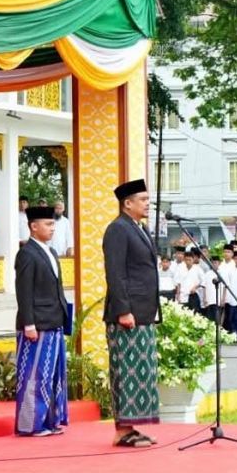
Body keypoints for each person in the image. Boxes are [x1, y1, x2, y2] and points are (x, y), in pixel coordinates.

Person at [102, 179, 160, 448]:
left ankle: (132, 426)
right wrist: (123, 310)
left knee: (141, 370)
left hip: (144, 311)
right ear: (128, 203)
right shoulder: (117, 229)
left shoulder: (139, 228)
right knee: (126, 371)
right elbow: (115, 273)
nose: (148, 203)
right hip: (127, 314)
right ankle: (122, 430)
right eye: (143, 199)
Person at [14, 206, 69, 437]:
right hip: (36, 324)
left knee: (53, 376)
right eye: (48, 224)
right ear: (33, 227)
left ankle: (49, 421)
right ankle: (31, 424)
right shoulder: (26, 253)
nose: (52, 228)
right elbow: (23, 291)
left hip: (54, 320)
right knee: (34, 376)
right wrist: (29, 324)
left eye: (53, 224)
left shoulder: (52, 252)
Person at [201, 256, 225, 322]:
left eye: (216, 263)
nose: (214, 264)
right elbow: (204, 287)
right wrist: (204, 298)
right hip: (209, 300)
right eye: (213, 263)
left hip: (218, 300)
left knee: (218, 319)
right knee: (210, 319)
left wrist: (223, 299)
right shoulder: (207, 274)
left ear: (219, 263)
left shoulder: (222, 273)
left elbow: (225, 287)